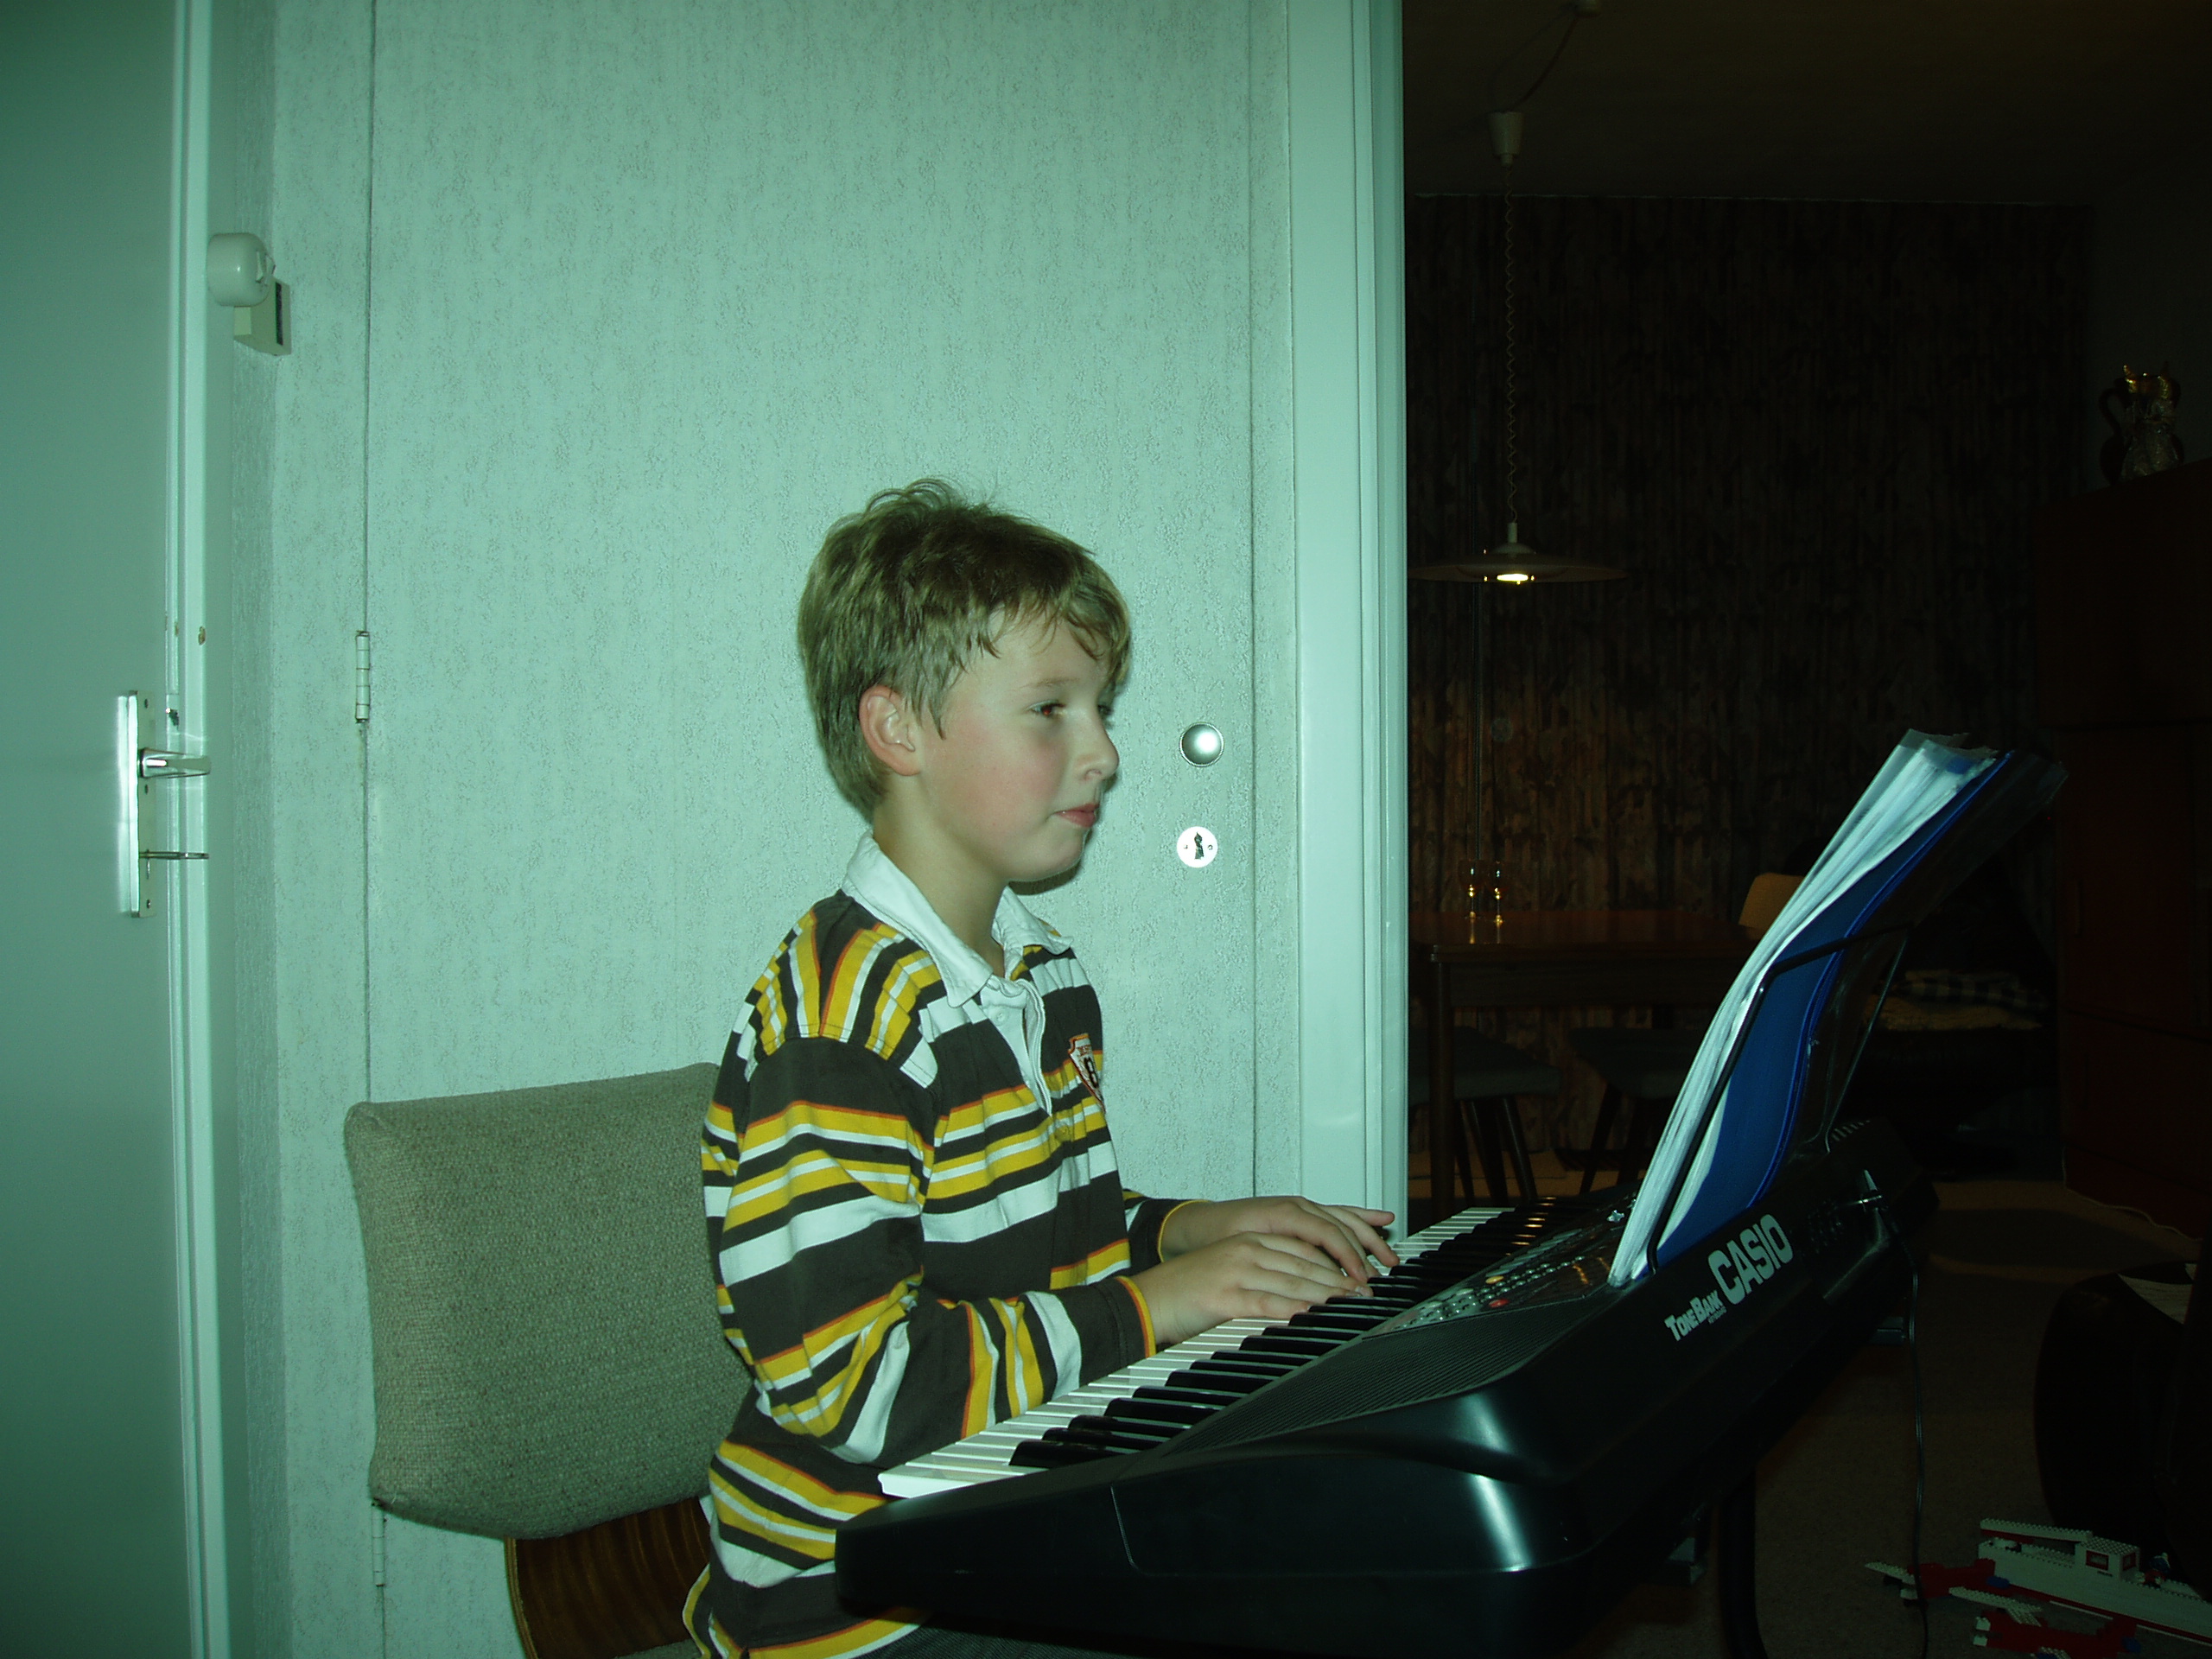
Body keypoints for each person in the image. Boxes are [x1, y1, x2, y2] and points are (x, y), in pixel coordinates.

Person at [685, 480, 1398, 1659]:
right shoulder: (844, 1026)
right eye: (1050, 710)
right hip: (855, 1595)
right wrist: (1160, 1305)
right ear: (898, 731)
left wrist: (1189, 1232)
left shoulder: (1041, 971)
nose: (1104, 753)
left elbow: (1019, 1240)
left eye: (1100, 709)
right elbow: (858, 1389)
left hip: (1017, 1512)